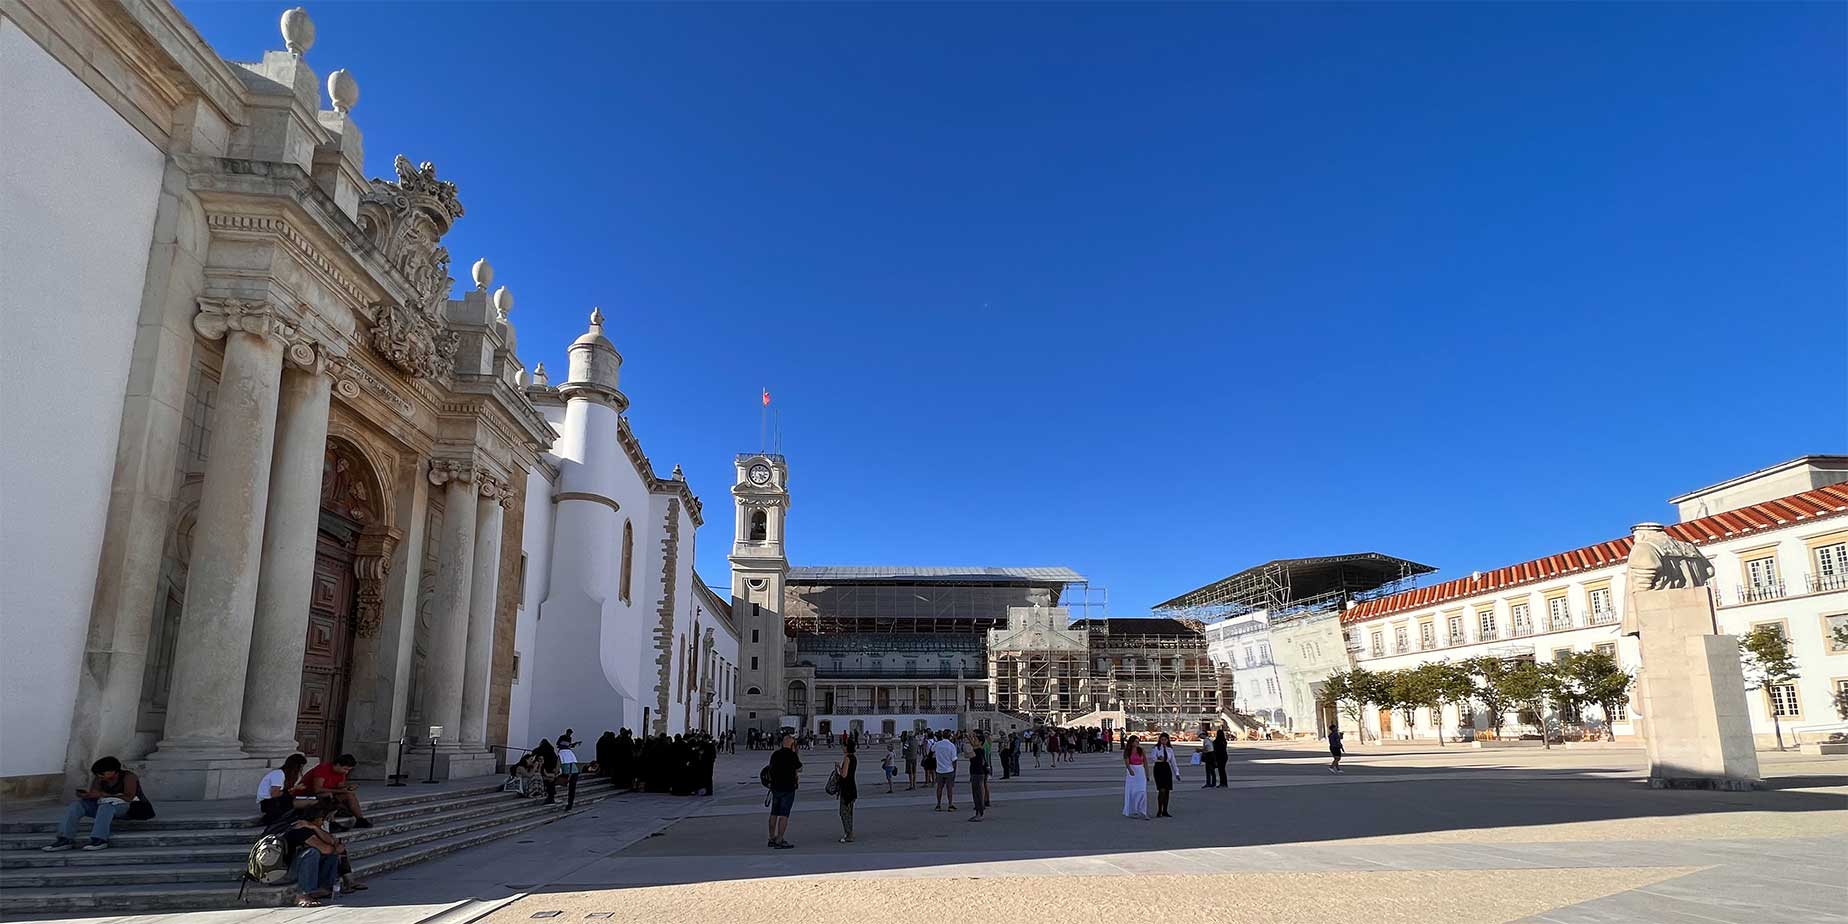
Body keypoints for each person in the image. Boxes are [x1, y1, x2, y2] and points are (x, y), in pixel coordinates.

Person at [42, 756, 154, 852]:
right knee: (77, 805)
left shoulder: (129, 777)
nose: (99, 775)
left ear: (113, 771)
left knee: (106, 807)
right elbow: (95, 794)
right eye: (97, 774)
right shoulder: (99, 779)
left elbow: (129, 796)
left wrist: (104, 795)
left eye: (102, 773)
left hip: (130, 807)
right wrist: (87, 796)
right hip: (105, 805)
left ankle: (99, 839)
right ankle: (65, 839)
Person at [282, 802, 343, 907]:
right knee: (312, 853)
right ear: (318, 819)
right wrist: (335, 849)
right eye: (321, 821)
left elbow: (332, 841)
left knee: (331, 855)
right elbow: (326, 849)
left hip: (297, 867)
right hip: (285, 872)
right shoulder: (300, 830)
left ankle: (323, 888)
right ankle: (302, 894)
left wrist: (315, 828)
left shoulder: (311, 828)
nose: (323, 823)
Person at [300, 754, 371, 830]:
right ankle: (331, 822)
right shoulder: (323, 769)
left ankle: (360, 819)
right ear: (337, 765)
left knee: (349, 795)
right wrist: (340, 790)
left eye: (348, 770)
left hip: (324, 795)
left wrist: (348, 788)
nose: (346, 772)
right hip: (306, 796)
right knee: (327, 795)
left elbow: (340, 786)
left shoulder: (341, 773)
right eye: (345, 769)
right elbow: (317, 789)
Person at [257, 753, 319, 825]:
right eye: (301, 767)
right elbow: (275, 794)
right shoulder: (279, 774)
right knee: (312, 802)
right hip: (270, 803)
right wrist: (293, 788)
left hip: (279, 802)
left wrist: (294, 789)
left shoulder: (286, 776)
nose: (301, 769)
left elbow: (284, 793)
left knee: (312, 801)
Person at [767, 733, 801, 849]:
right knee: (784, 815)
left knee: (774, 813)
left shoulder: (775, 754)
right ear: (792, 744)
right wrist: (796, 753)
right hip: (788, 788)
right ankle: (780, 839)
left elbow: (770, 768)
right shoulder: (792, 755)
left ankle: (771, 838)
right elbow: (799, 768)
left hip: (775, 788)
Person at [833, 738, 858, 843]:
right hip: (852, 787)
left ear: (847, 747)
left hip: (847, 788)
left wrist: (838, 767)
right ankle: (849, 832)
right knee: (849, 811)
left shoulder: (847, 758)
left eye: (843, 746)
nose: (842, 748)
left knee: (844, 812)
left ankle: (849, 834)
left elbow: (844, 774)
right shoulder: (854, 758)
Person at [1149, 733, 1179, 818]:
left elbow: (1173, 762)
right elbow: (1153, 758)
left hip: (1166, 768)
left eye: (1165, 740)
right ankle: (1159, 810)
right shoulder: (1156, 748)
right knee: (1161, 790)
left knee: (1167, 790)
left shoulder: (1170, 749)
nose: (1163, 741)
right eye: (1162, 739)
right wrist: (1158, 758)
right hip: (1158, 768)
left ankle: (1165, 810)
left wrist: (1176, 772)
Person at [929, 731, 959, 812]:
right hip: (949, 770)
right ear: (950, 736)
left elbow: (931, 749)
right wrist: (954, 772)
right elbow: (954, 760)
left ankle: (938, 805)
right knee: (949, 789)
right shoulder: (951, 746)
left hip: (939, 769)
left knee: (939, 788)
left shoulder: (938, 744)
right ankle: (950, 805)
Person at [1121, 735, 1149, 820]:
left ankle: (1142, 811)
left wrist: (1147, 774)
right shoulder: (1127, 751)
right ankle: (1133, 810)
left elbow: (1145, 762)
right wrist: (1129, 769)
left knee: (1142, 791)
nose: (1137, 743)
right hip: (1132, 770)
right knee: (1132, 792)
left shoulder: (1141, 750)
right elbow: (1127, 762)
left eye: (1138, 741)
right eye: (1135, 741)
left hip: (1140, 770)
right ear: (1131, 742)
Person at [966, 731, 990, 822]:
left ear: (980, 742)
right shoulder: (978, 749)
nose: (973, 741)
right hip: (975, 773)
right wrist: (969, 738)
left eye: (975, 740)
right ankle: (978, 812)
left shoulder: (978, 750)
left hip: (978, 773)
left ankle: (980, 813)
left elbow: (967, 755)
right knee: (976, 794)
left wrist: (969, 739)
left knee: (978, 794)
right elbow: (973, 745)